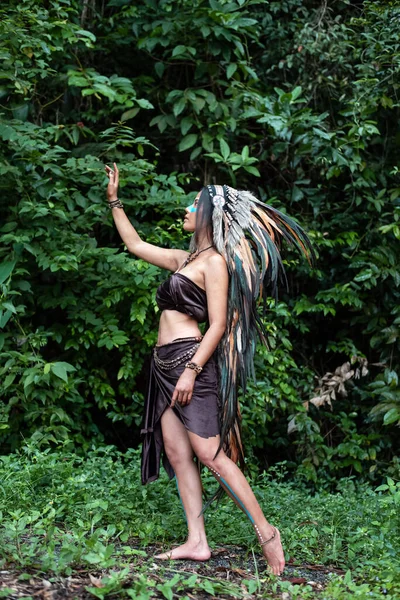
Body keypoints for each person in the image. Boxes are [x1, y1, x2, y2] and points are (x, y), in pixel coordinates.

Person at [105, 162, 315, 576]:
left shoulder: (215, 262)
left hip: (189, 363)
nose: (185, 208)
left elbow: (218, 324)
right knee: (179, 454)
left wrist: (192, 370)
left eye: (193, 204)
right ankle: (197, 541)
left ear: (208, 214)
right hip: (163, 365)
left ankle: (266, 530)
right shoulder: (187, 258)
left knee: (209, 453)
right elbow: (136, 245)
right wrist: (114, 200)